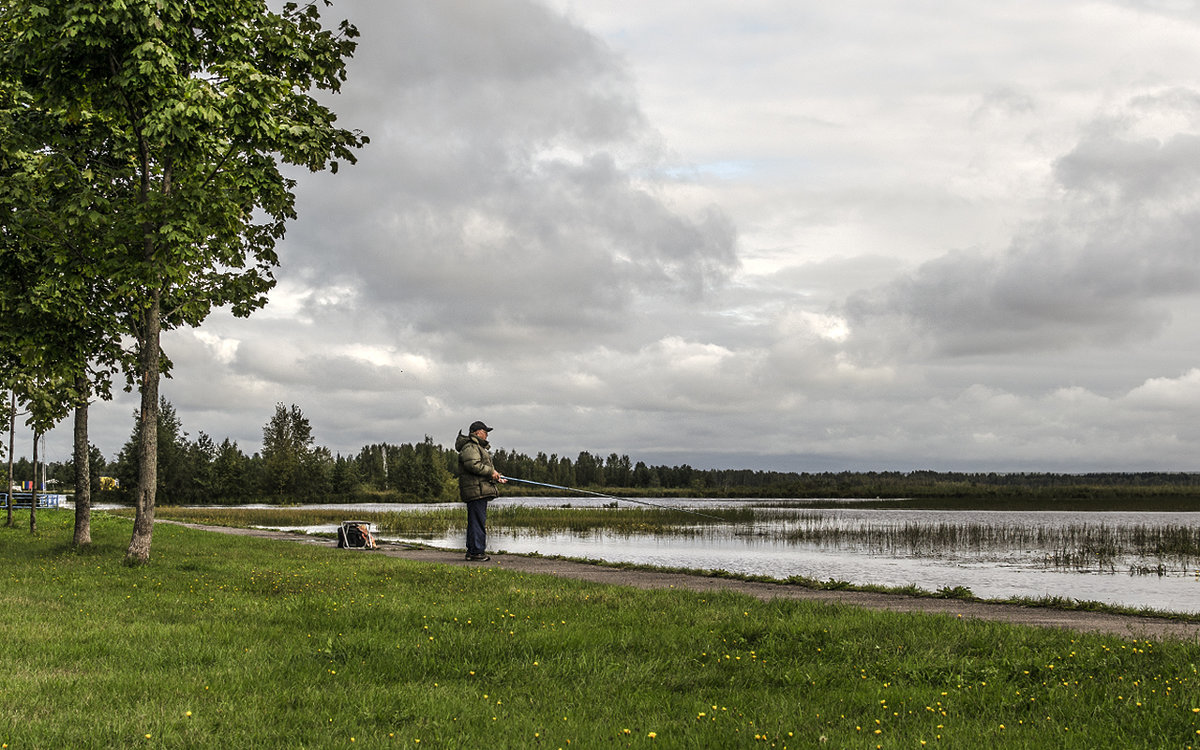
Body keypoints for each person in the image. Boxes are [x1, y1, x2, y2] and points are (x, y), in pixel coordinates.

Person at [456, 420, 506, 561]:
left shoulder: (475, 447)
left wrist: (496, 477)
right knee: (477, 521)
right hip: (475, 491)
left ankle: (473, 551)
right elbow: (473, 465)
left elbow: (479, 470)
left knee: (475, 521)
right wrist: (491, 472)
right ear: (477, 432)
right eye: (485, 432)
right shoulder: (471, 446)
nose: (486, 435)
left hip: (478, 489)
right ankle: (477, 552)